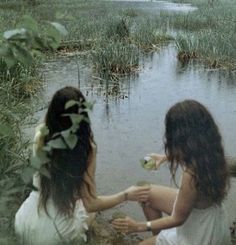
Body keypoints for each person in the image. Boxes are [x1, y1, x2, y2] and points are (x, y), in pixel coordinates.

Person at [15, 86, 150, 245]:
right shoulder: (87, 149)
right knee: (88, 212)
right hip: (55, 235)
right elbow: (92, 204)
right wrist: (126, 195)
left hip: (23, 222)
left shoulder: (40, 135)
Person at [112, 100, 231, 245]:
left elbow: (177, 219)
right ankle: (160, 239)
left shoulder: (191, 176)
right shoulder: (213, 155)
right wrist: (165, 158)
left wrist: (138, 226)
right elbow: (195, 155)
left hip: (199, 236)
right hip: (210, 221)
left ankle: (162, 240)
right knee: (146, 194)